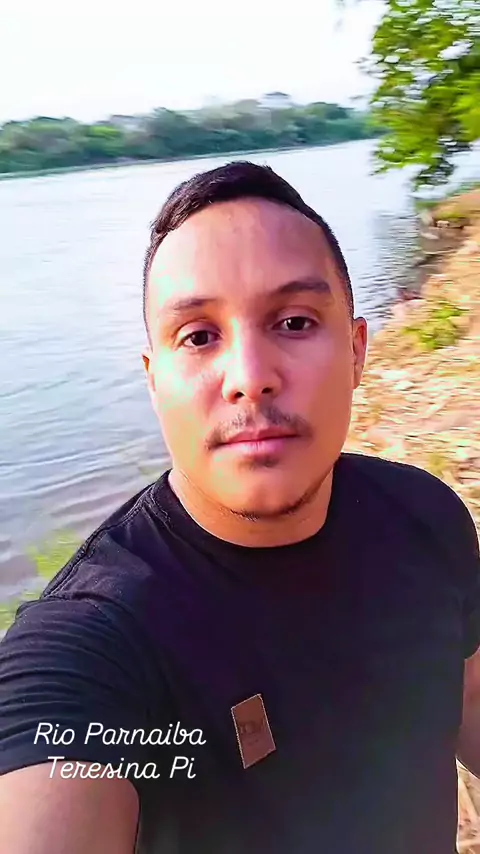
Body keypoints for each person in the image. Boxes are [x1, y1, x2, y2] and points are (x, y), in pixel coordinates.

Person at [0, 161, 479, 854]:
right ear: (154, 381)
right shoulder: (104, 640)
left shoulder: (424, 516)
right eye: (198, 336)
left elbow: (466, 693)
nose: (250, 378)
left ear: (356, 352)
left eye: (294, 321)